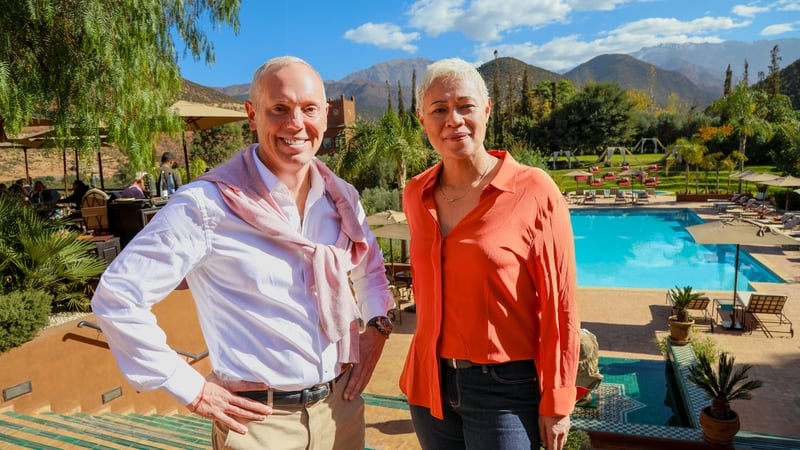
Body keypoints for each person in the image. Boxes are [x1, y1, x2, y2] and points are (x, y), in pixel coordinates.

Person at [91, 56, 395, 449]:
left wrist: (378, 329)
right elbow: (118, 297)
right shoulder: (205, 205)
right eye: (279, 109)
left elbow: (368, 270)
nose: (296, 124)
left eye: (308, 109)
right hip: (260, 425)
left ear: (325, 113)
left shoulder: (341, 198)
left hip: (342, 410)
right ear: (252, 115)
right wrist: (192, 388)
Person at [399, 58, 580, 450]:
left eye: (465, 106)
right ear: (422, 119)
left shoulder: (534, 190)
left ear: (487, 110)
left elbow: (560, 304)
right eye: (439, 110)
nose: (454, 120)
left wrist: (558, 399)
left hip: (506, 390)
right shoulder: (416, 194)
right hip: (430, 385)